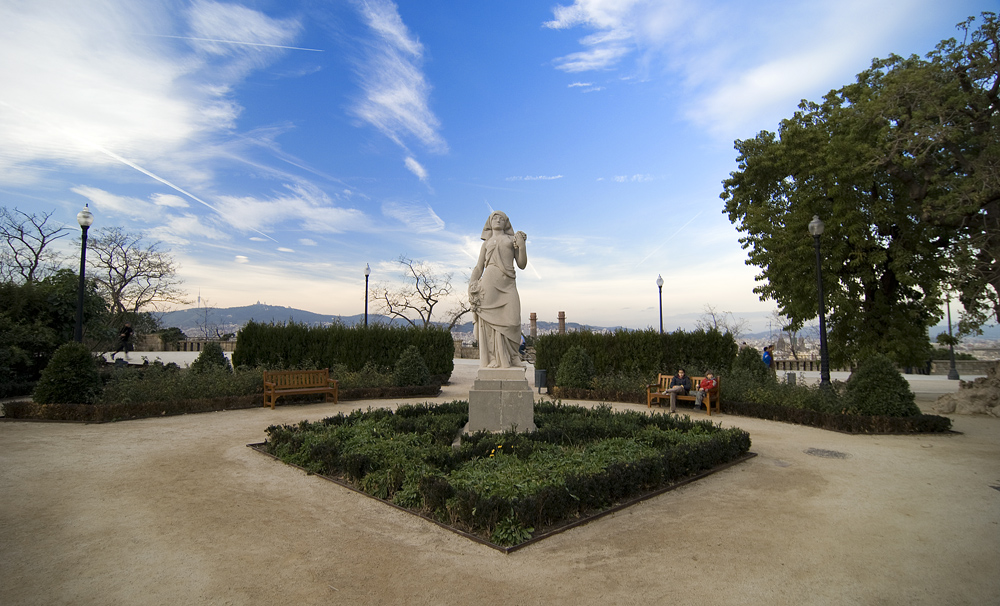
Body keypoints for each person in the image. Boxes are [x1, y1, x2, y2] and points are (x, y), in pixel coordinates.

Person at [469, 211, 527, 369]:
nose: (498, 220)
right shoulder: (486, 244)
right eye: (495, 217)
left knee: (514, 321)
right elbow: (479, 266)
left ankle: (513, 355)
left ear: (506, 223)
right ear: (489, 222)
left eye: (502, 218)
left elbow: (521, 264)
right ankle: (494, 358)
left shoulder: (512, 240)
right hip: (489, 284)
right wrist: (472, 283)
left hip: (508, 284)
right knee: (490, 322)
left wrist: (522, 246)